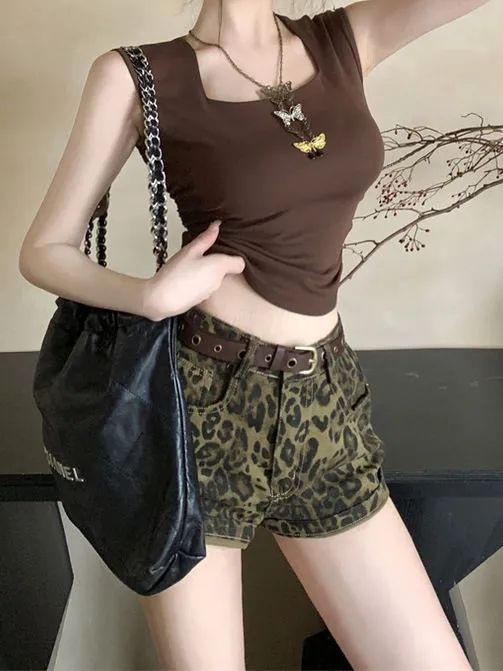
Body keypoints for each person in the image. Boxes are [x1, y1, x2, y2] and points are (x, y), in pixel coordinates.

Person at [18, 0, 489, 668]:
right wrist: (148, 297)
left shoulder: (343, 40)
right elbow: (44, 250)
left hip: (325, 406)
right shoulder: (138, 76)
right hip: (199, 413)